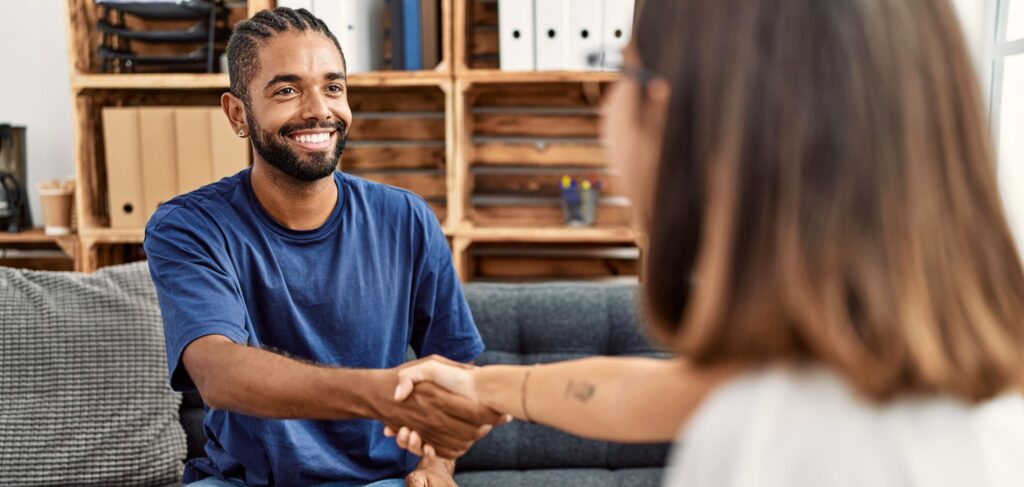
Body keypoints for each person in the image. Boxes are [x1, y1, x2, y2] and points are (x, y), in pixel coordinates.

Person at [386, 0, 1024, 485]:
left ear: (666, 115)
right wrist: (487, 389)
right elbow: (677, 393)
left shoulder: (769, 444)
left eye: (620, 72)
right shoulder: (922, 380)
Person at [143, 7, 503, 487]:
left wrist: (435, 465)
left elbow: (455, 362)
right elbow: (218, 372)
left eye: (333, 87)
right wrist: (379, 392)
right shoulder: (189, 226)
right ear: (237, 113)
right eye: (287, 90)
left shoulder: (407, 219)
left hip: (382, 481)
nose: (319, 110)